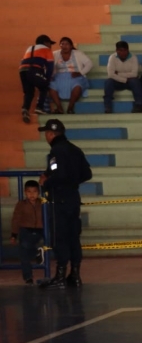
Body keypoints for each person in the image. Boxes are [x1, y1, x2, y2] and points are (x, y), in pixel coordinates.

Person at [37, 119, 92, 289]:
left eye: (46, 132)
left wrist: (45, 182)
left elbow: (57, 175)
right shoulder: (75, 149)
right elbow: (87, 174)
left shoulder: (55, 152)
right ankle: (75, 275)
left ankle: (60, 276)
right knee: (73, 236)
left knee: (59, 236)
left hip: (59, 198)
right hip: (73, 197)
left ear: (51, 134)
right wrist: (72, 182)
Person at [10, 180, 44, 285]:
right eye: (29, 192)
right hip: (25, 230)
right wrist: (14, 235)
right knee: (23, 252)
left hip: (39, 230)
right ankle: (28, 277)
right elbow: (16, 219)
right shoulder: (21, 204)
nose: (32, 194)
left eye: (34, 191)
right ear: (25, 192)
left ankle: (37, 252)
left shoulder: (42, 203)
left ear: (38, 192)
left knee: (25, 245)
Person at [48, 37, 92, 115]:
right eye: (62, 44)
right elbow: (48, 65)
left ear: (71, 46)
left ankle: (70, 107)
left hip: (75, 76)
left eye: (67, 44)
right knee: (51, 86)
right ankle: (59, 108)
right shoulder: (55, 54)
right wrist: (50, 75)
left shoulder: (78, 53)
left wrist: (80, 73)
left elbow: (89, 64)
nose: (64, 46)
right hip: (58, 77)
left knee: (77, 86)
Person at [20, 34, 56, 123]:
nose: (50, 46)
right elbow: (50, 67)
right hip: (34, 69)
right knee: (44, 86)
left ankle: (25, 109)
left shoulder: (30, 48)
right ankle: (39, 107)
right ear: (45, 43)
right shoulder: (46, 50)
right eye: (49, 43)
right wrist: (47, 78)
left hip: (22, 70)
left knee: (29, 92)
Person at [104, 40, 142, 113]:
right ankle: (108, 107)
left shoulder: (133, 57)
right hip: (119, 81)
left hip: (130, 81)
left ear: (128, 50)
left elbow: (134, 74)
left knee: (136, 81)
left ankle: (138, 105)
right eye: (120, 50)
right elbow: (110, 74)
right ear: (116, 51)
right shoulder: (112, 57)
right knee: (108, 82)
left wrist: (118, 74)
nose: (123, 53)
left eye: (125, 50)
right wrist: (125, 79)